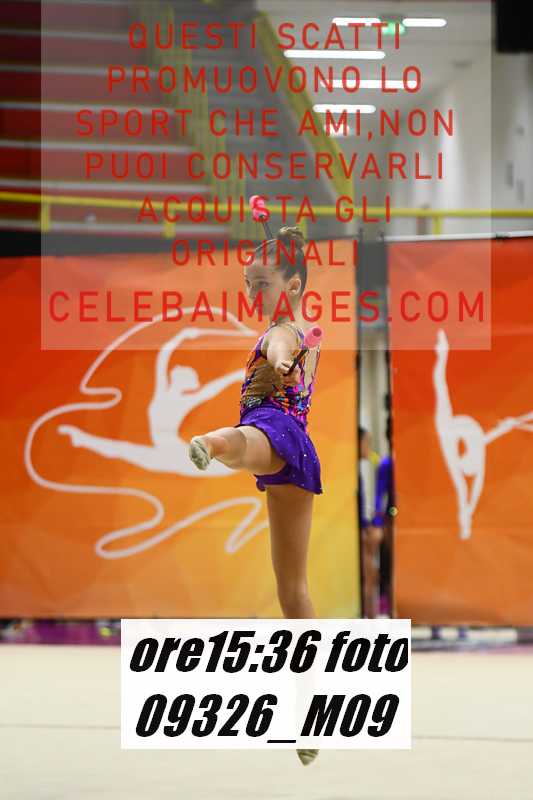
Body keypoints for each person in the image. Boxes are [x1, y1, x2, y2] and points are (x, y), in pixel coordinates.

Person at [187, 225, 322, 767]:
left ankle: (211, 443)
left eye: (260, 283)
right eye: (247, 282)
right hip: (296, 456)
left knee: (243, 440)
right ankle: (311, 711)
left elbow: (280, 342)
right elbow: (279, 338)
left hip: (276, 431)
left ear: (292, 285)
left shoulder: (286, 331)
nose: (249, 292)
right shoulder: (287, 326)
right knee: (293, 591)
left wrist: (282, 359)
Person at [358, 426, 383, 619]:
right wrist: (366, 527)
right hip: (358, 530)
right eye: (366, 442)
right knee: (369, 575)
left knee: (371, 575)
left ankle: (371, 616)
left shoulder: (358, 472)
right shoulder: (351, 475)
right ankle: (369, 617)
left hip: (364, 527)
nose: (368, 447)